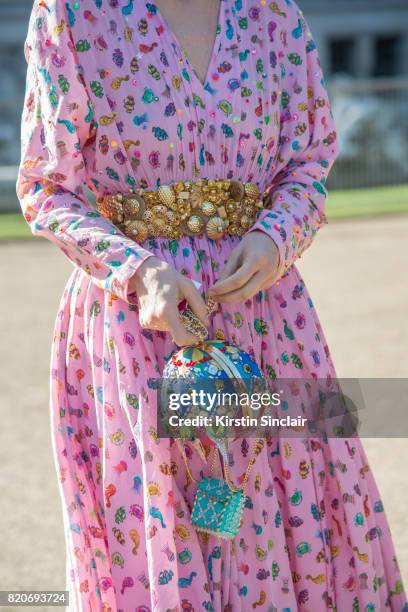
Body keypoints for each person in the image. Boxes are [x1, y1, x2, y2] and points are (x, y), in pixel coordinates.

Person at [16, 0, 406, 609]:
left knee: (279, 514)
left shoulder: (274, 15)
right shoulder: (72, 15)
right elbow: (46, 187)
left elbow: (307, 166)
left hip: (268, 319)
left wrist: (277, 236)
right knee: (165, 528)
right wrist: (139, 271)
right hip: (136, 326)